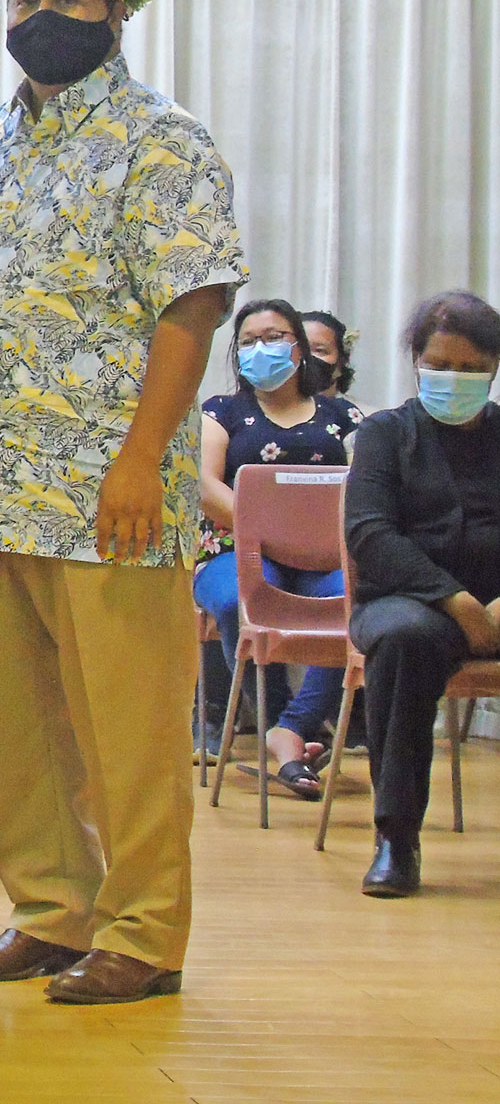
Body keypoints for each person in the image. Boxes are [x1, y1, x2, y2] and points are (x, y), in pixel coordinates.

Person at [0, 0, 248, 1005]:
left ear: (116, 10)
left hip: (109, 491)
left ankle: (144, 933)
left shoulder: (163, 141)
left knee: (127, 729)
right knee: (12, 728)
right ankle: (52, 912)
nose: (40, 14)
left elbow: (195, 304)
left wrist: (146, 458)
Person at [343, 290, 500, 898]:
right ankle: (397, 839)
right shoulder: (385, 433)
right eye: (439, 365)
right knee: (405, 640)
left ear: (493, 369)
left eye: (470, 368)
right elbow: (370, 533)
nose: (453, 378)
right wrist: (454, 599)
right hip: (408, 601)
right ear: (416, 361)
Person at [192, 298, 356, 795]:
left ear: (299, 348)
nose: (260, 348)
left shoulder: (343, 415)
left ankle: (293, 726)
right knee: (234, 601)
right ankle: (274, 724)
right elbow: (204, 486)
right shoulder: (220, 411)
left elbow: (366, 487)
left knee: (357, 601)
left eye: (273, 337)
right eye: (248, 341)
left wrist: (305, 542)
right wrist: (271, 532)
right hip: (235, 549)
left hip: (324, 556)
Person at [302, 309, 362, 415]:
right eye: (300, 349)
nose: (307, 357)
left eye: (319, 350)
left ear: (340, 362)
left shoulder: (363, 418)